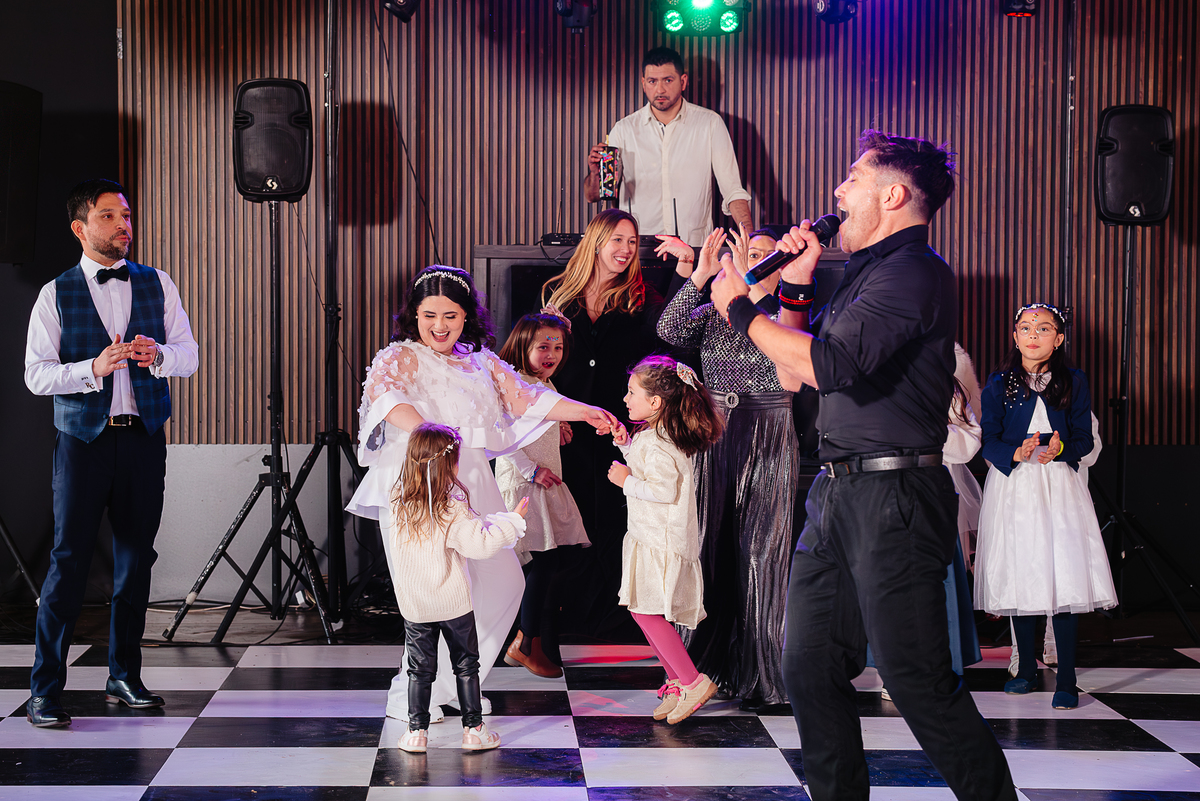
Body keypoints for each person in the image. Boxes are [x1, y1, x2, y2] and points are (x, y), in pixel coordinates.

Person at [709, 130, 1017, 800]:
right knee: (808, 665)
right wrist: (794, 287)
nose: (838, 191)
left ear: (894, 194)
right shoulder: (863, 274)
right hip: (837, 492)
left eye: (852, 178)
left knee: (916, 680)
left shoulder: (914, 273)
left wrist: (738, 306)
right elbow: (794, 375)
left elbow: (831, 366)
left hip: (895, 494)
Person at [346, 265, 618, 723]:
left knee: (504, 582)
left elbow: (527, 397)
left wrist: (587, 411)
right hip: (416, 479)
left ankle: (454, 683)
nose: (439, 326)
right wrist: (432, 434)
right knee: (428, 590)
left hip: (472, 479)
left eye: (450, 316)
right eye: (429, 315)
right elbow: (386, 400)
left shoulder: (481, 362)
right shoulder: (399, 356)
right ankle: (410, 695)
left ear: (466, 316)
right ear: (414, 315)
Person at [23, 178, 199, 728]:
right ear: (81, 227)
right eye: (109, 216)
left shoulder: (157, 282)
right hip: (83, 444)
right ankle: (44, 689)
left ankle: (124, 675)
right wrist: (91, 369)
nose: (124, 224)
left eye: (126, 214)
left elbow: (189, 355)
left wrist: (159, 356)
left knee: (135, 561)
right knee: (69, 561)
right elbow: (36, 375)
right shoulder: (55, 293)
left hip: (143, 439)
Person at [657, 225, 798, 710]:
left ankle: (761, 675)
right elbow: (669, 330)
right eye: (746, 253)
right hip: (714, 432)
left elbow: (794, 349)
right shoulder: (714, 309)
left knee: (761, 552)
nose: (751, 260)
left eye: (763, 255)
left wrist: (752, 290)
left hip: (768, 432)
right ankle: (698, 671)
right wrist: (700, 273)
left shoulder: (786, 312)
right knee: (705, 547)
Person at [975, 303, 1116, 710]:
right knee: (1022, 573)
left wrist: (1060, 450)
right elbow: (989, 439)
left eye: (1043, 328)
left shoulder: (1073, 380)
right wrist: (1015, 453)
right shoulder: (999, 383)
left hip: (1059, 487)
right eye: (1025, 327)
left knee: (1063, 574)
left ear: (1059, 338)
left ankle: (1067, 678)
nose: (1033, 334)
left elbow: (1084, 440)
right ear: (1015, 336)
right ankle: (1025, 670)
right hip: (1016, 488)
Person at [541, 209, 668, 638]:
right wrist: (553, 415)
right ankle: (568, 620)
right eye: (618, 239)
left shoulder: (643, 297)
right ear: (596, 242)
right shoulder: (558, 296)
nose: (626, 249)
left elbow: (664, 350)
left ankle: (615, 621)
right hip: (571, 427)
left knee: (615, 519)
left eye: (632, 242)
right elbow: (542, 360)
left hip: (621, 428)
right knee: (572, 518)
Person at [391, 423, 530, 753]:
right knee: (466, 666)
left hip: (416, 605)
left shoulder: (399, 504)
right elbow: (479, 545)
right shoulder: (452, 507)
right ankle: (474, 730)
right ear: (451, 465)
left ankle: (416, 733)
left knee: (418, 670)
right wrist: (512, 521)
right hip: (453, 604)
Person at [608, 355, 724, 724]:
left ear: (656, 402)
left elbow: (662, 489)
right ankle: (676, 682)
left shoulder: (658, 442)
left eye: (632, 392)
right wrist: (626, 446)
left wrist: (625, 481)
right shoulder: (655, 437)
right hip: (652, 536)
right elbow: (652, 470)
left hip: (660, 540)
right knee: (643, 610)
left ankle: (692, 681)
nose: (626, 399)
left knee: (646, 611)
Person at [495, 312, 590, 678]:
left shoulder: (544, 383)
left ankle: (531, 639)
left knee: (556, 560)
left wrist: (557, 431)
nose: (552, 354)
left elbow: (535, 426)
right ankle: (524, 642)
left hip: (544, 481)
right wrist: (530, 470)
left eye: (558, 347)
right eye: (543, 346)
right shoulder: (515, 383)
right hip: (525, 484)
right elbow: (501, 437)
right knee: (543, 562)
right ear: (523, 345)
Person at [584, 46, 752, 246]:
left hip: (693, 249)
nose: (660, 90)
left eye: (668, 80)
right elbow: (594, 196)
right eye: (652, 81)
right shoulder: (623, 129)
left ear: (683, 82)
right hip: (637, 249)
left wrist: (753, 241)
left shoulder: (710, 124)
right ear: (643, 83)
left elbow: (733, 191)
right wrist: (596, 175)